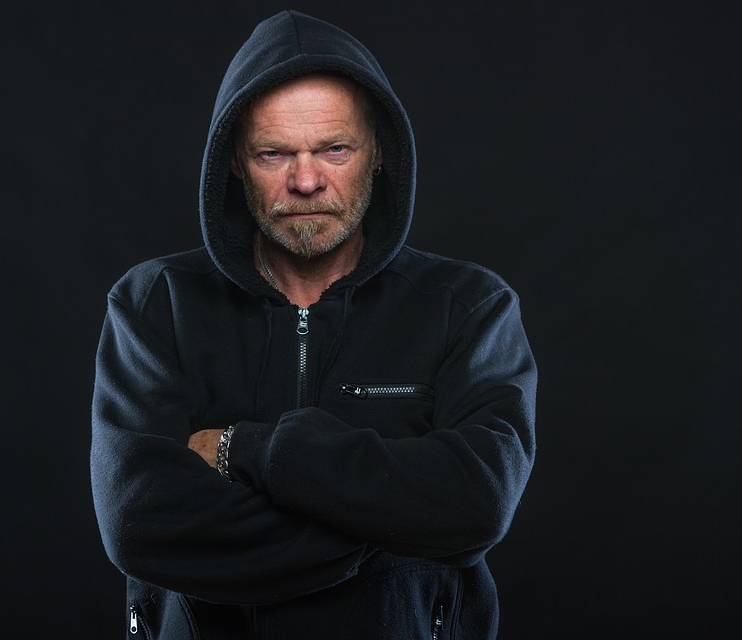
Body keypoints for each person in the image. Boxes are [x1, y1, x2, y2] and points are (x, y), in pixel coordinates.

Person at [91, 9, 537, 639]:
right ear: (236, 162)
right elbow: (138, 521)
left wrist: (245, 450)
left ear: (378, 152)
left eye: (335, 149)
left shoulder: (467, 307)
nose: (305, 181)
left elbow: (477, 501)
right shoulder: (156, 303)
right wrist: (391, 516)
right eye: (273, 153)